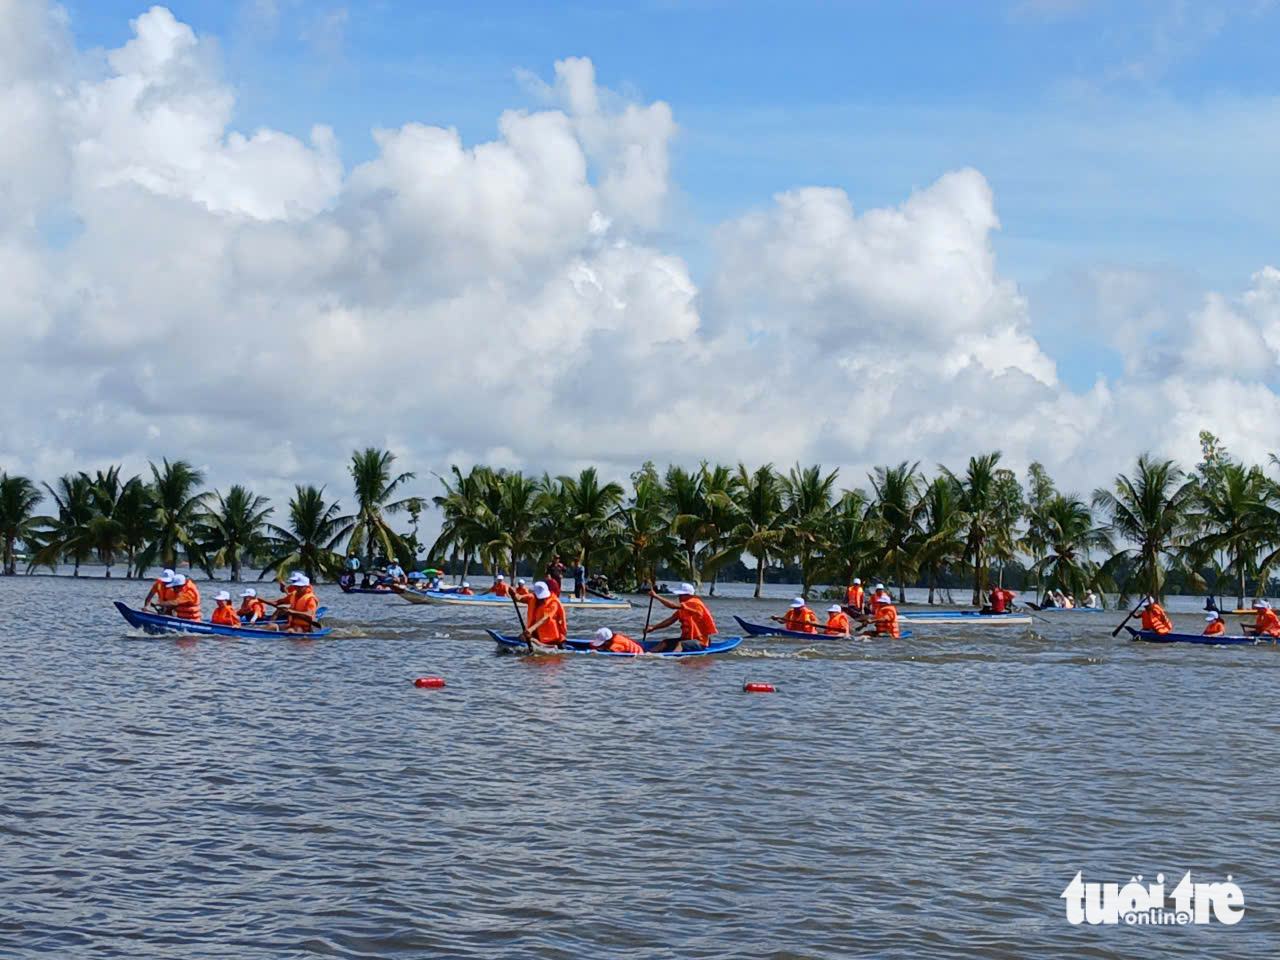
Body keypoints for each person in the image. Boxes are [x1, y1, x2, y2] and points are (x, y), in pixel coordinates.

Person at [645, 582, 717, 652]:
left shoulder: (695, 603)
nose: (679, 597)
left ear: (689, 595)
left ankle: (673, 658)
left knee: (681, 644)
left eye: (681, 595)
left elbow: (672, 606)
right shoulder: (683, 608)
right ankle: (647, 655)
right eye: (679, 595)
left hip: (700, 642)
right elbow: (670, 621)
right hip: (686, 640)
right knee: (664, 643)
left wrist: (656, 596)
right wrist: (653, 628)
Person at [522, 581, 567, 648]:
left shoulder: (553, 602)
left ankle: (547, 646)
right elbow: (519, 598)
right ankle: (538, 642)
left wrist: (531, 629)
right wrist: (515, 595)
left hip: (553, 636)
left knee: (528, 638)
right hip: (541, 634)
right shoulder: (533, 599)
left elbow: (546, 618)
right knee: (522, 637)